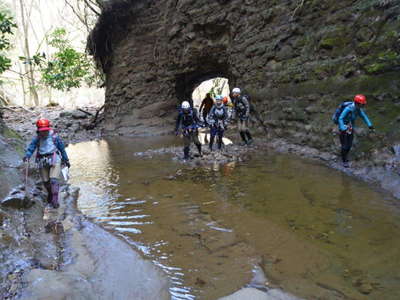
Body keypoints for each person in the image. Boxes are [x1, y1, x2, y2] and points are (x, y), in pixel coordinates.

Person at [23, 119, 70, 208]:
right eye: (42, 131)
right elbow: (31, 148)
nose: (44, 133)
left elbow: (62, 149)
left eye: (45, 131)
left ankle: (55, 201)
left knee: (54, 180)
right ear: (38, 130)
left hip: (54, 159)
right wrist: (27, 156)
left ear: (48, 129)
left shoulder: (55, 137)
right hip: (42, 160)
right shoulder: (37, 138)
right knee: (45, 181)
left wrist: (66, 160)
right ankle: (50, 194)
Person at [337, 94, 374, 168]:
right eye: (362, 104)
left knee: (349, 144)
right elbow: (340, 118)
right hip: (343, 128)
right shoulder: (348, 108)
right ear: (357, 103)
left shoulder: (358, 109)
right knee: (344, 145)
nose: (363, 106)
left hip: (350, 127)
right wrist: (342, 127)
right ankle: (344, 161)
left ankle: (346, 156)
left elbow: (364, 116)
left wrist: (370, 125)